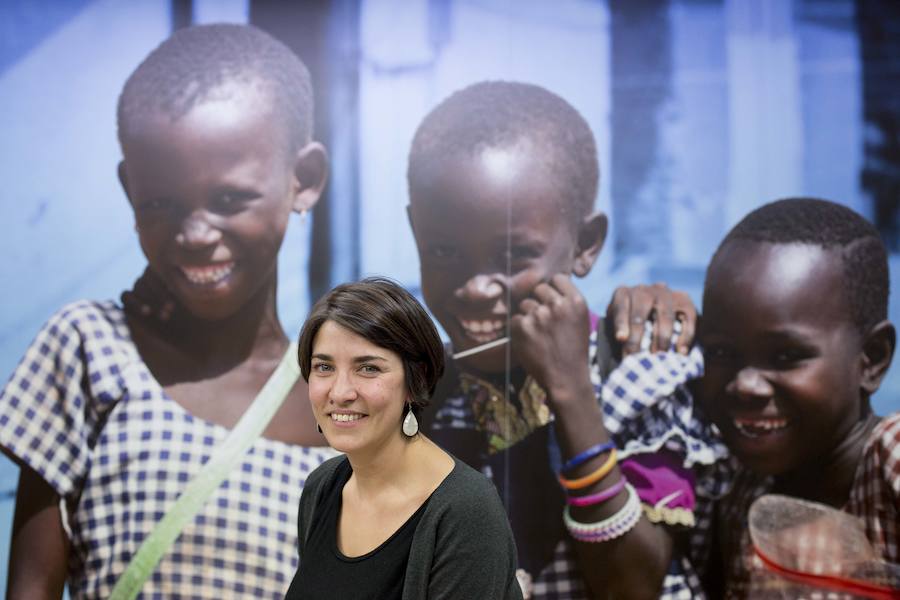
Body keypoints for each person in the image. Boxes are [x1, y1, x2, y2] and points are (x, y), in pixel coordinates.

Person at [0, 24, 338, 599]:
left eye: (230, 199)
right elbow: (31, 586)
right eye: (161, 204)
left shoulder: (341, 408)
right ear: (131, 189)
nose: (195, 234)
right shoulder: (90, 349)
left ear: (301, 181)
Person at [406, 80, 730, 599]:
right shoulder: (425, 400)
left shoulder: (639, 375)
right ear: (415, 231)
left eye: (513, 256)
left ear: (585, 244)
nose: (475, 288)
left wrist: (571, 393)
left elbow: (632, 585)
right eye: (444, 252)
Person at [694, 197, 900, 597]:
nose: (746, 385)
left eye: (786, 356)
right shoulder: (740, 489)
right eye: (721, 352)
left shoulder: (890, 459)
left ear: (871, 359)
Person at [286, 277, 523, 599]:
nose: (340, 392)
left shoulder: (467, 510)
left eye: (368, 368)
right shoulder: (323, 487)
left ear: (416, 380)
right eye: (324, 367)